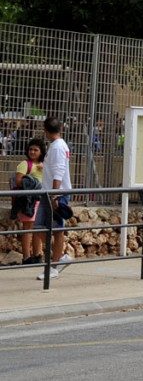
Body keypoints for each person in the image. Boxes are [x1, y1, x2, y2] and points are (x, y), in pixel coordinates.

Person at [35, 116, 73, 281]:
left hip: (54, 193)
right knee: (46, 229)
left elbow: (58, 172)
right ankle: (59, 260)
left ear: (46, 130)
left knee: (50, 229)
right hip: (50, 192)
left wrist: (55, 195)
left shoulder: (57, 147)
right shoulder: (58, 145)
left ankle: (55, 265)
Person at [15, 138, 46, 265]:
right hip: (28, 201)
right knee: (27, 228)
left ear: (41, 151)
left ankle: (37, 255)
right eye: (31, 149)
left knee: (38, 228)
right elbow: (18, 181)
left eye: (36, 150)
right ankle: (26, 257)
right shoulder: (24, 164)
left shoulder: (44, 165)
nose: (32, 152)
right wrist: (33, 181)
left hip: (40, 199)